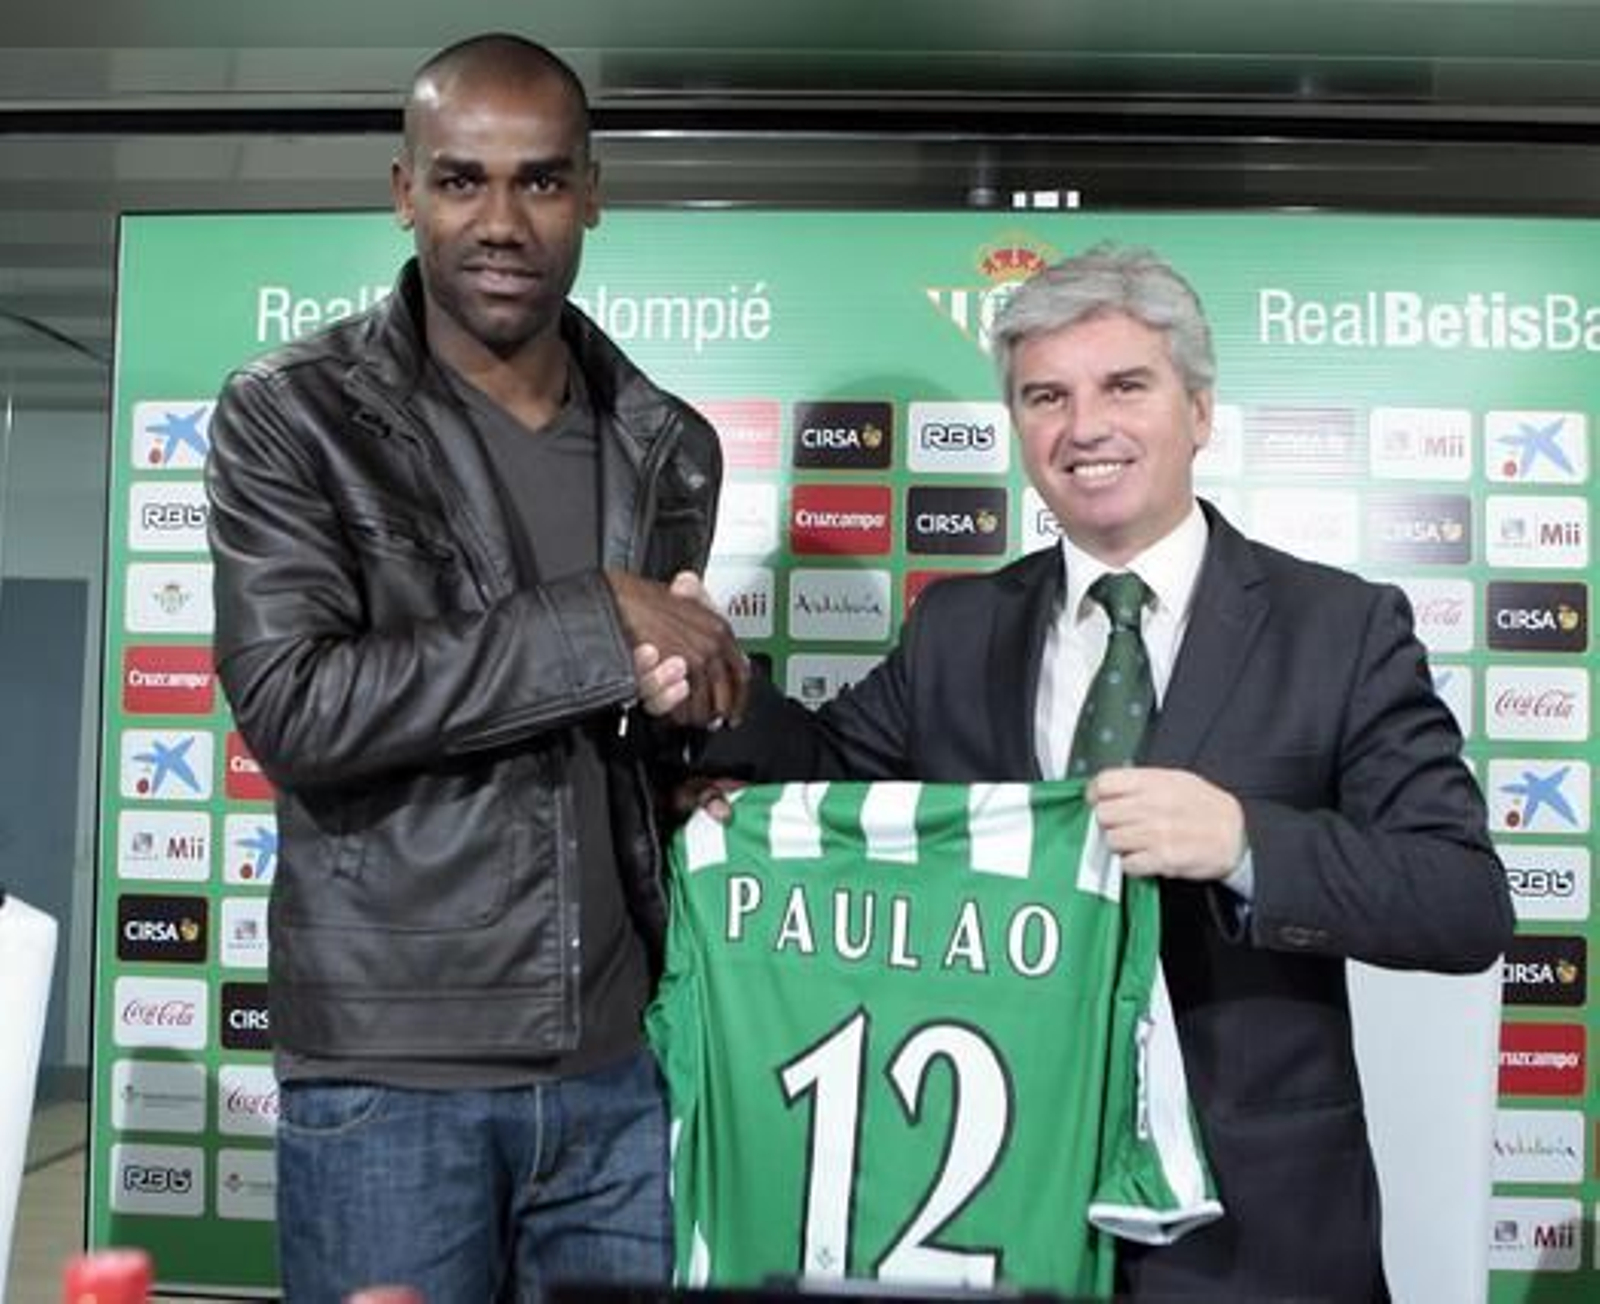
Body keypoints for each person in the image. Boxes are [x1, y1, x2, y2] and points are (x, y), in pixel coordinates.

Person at [643, 245, 1513, 1301]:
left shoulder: (1339, 626)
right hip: (1000, 1216)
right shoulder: (959, 627)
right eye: (1044, 396)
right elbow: (826, 772)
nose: (1082, 426)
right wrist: (715, 692)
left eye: (1123, 386)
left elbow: (1461, 900)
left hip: (1252, 1233)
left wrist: (1243, 844)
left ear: (1198, 410)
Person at [206, 33, 747, 1303]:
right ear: (404, 190)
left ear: (594, 195)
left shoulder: (669, 441)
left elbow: (608, 737)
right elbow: (296, 708)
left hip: (620, 1072)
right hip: (392, 1080)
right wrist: (593, 620)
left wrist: (691, 739)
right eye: (462, 180)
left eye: (542, 181)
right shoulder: (294, 412)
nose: (502, 220)